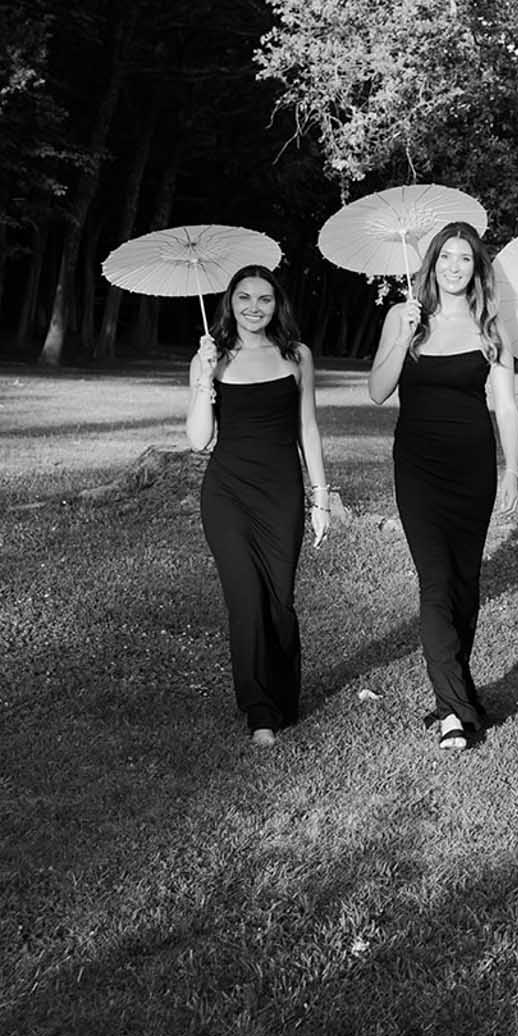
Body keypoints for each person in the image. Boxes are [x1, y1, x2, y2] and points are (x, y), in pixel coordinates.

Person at [369, 221, 518, 750]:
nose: (454, 268)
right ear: (430, 264)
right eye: (445, 258)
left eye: (464, 259)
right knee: (435, 581)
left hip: (472, 467)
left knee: (464, 584)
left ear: (476, 267)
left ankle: (455, 695)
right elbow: (376, 389)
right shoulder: (403, 316)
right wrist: (404, 336)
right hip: (417, 467)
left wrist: (513, 471)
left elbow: (505, 404)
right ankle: (455, 710)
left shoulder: (490, 327)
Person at [186, 265, 331, 748]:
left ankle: (283, 697)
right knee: (245, 601)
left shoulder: (296, 356)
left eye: (264, 299)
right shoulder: (213, 356)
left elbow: (307, 428)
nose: (253, 307)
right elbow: (198, 440)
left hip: (282, 494)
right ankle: (259, 711)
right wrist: (205, 378)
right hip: (226, 494)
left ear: (276, 305)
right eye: (244, 297)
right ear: (230, 302)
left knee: (279, 603)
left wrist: (320, 498)